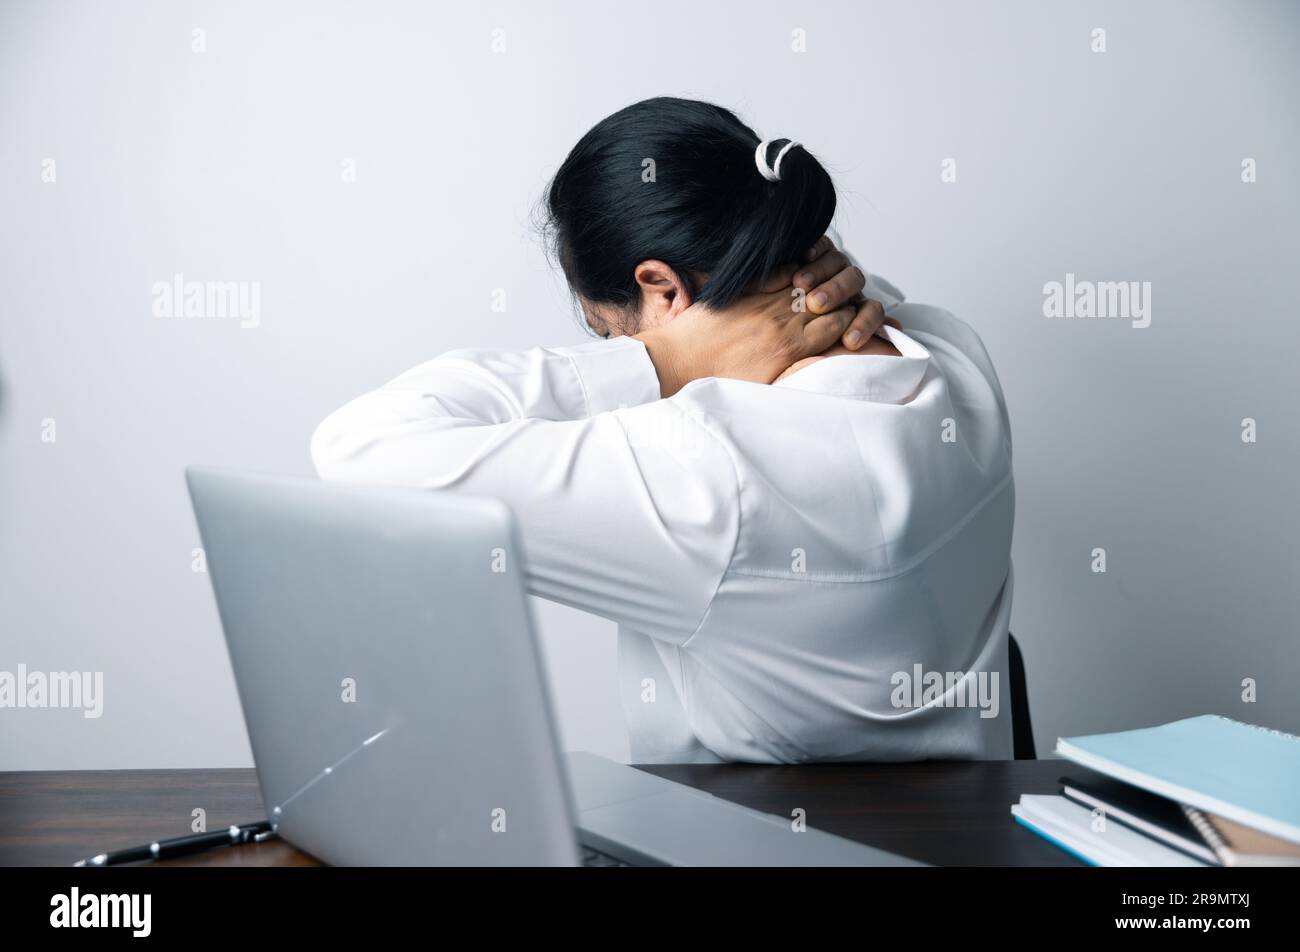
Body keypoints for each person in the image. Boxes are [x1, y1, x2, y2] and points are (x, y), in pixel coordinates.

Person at [312, 97, 1014, 763]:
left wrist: (664, 359)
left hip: (742, 831)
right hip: (970, 824)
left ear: (664, 288)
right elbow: (846, 287)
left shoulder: (709, 475)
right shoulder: (952, 354)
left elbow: (360, 450)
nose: (621, 349)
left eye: (611, 334)